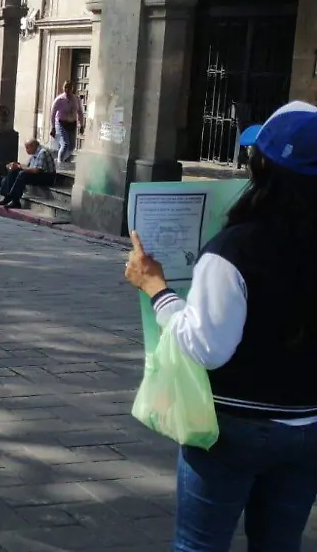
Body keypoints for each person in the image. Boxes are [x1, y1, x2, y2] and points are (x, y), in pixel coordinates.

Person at [125, 100, 317, 551]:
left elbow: (206, 347)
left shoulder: (236, 249)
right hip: (308, 425)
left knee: (200, 545)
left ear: (262, 166)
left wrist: (156, 289)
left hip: (236, 428)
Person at [0, 138, 55, 208]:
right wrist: (15, 166)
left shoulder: (42, 152)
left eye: (27, 148)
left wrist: (19, 166)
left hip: (47, 177)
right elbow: (27, 166)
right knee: (14, 171)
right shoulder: (35, 152)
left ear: (33, 146)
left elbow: (37, 170)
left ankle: (12, 198)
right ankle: (9, 198)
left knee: (23, 174)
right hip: (38, 174)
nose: (26, 150)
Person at [50, 81, 85, 163]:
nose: (67, 89)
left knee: (72, 146)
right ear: (63, 88)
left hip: (72, 123)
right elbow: (53, 113)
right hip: (61, 123)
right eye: (65, 87)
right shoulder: (59, 99)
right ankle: (60, 162)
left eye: (69, 87)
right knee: (65, 144)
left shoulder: (76, 99)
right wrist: (53, 127)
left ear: (72, 88)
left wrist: (82, 125)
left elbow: (80, 112)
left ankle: (64, 159)